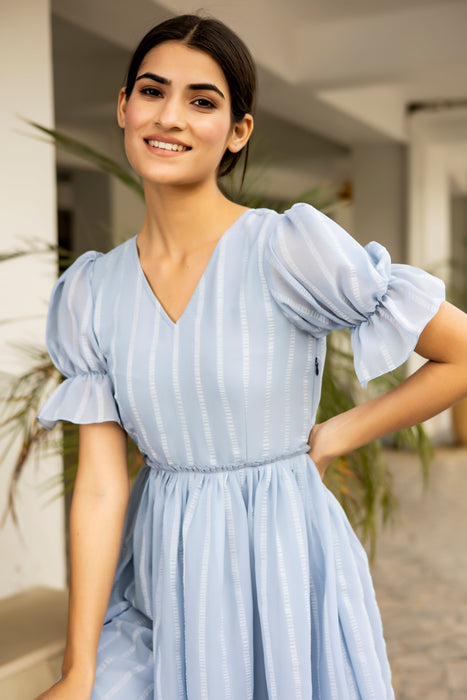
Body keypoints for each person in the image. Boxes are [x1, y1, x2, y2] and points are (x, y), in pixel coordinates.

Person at [34, 13, 467, 700]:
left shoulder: (286, 249)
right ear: (123, 106)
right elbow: (98, 487)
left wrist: (339, 435)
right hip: (162, 578)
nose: (170, 116)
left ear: (238, 129)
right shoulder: (90, 292)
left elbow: (459, 354)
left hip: (284, 569)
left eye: (201, 101)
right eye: (152, 91)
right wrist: (80, 667)